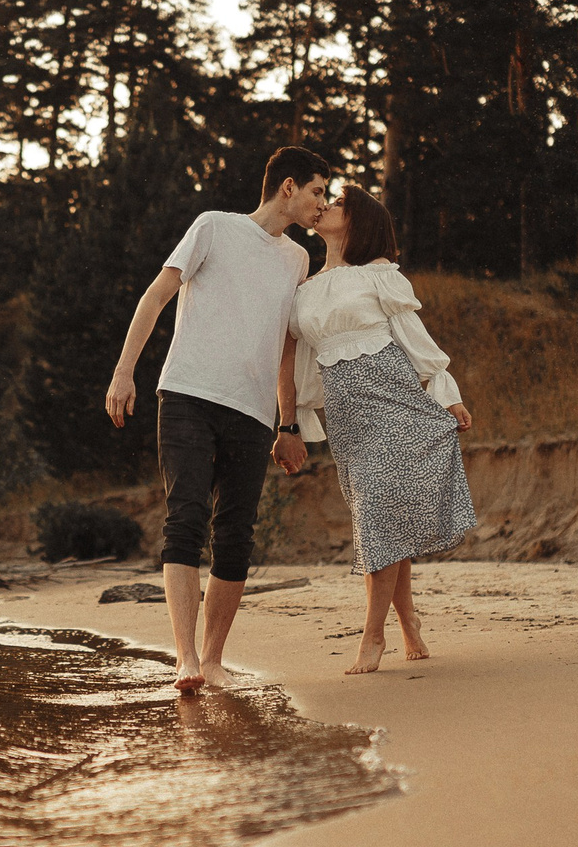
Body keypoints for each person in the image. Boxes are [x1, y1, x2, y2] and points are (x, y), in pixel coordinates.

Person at [106, 146, 332, 692]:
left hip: (252, 413)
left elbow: (284, 348)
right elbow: (158, 294)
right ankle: (185, 658)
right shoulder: (214, 226)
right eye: (317, 192)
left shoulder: (297, 260)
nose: (321, 204)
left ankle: (212, 660)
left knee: (235, 535)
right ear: (287, 187)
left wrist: (288, 424)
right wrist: (123, 372)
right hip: (187, 392)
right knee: (184, 519)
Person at [289, 183, 478, 676]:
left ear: (358, 221)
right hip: (348, 421)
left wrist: (447, 393)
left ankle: (373, 636)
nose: (325, 204)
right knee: (384, 521)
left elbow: (415, 339)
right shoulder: (304, 289)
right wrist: (294, 420)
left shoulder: (378, 276)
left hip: (395, 403)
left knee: (377, 518)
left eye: (338, 203)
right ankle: (409, 619)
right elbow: (302, 361)